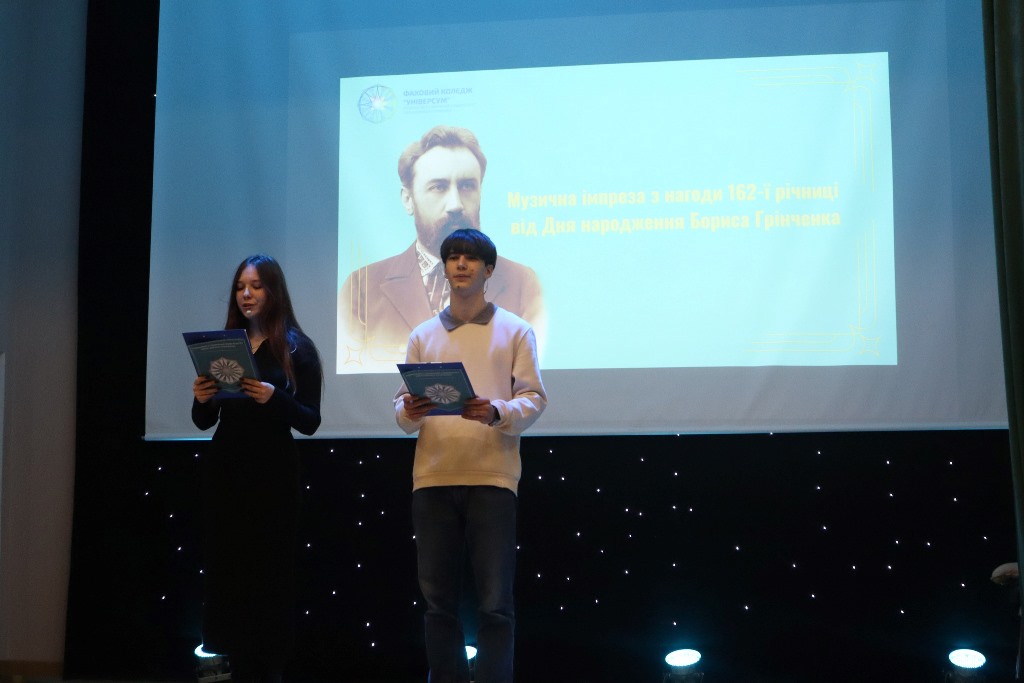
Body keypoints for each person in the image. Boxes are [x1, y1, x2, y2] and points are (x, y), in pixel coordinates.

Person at [394, 229, 547, 683]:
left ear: (489, 270)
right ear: (444, 268)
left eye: (471, 259)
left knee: (495, 603)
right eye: (453, 258)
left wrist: (497, 411)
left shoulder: (515, 330)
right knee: (437, 603)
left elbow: (534, 398)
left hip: (492, 478)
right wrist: (409, 410)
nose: (461, 265)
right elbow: (402, 411)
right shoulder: (422, 335)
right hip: (433, 478)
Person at [191, 254, 323, 683]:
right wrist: (202, 398)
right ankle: (231, 660)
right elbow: (203, 421)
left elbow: (310, 420)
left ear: (274, 291)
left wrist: (274, 397)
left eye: (256, 286)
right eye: (240, 287)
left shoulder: (297, 348)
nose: (246, 295)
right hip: (226, 470)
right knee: (227, 569)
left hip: (273, 475)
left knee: (270, 572)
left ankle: (269, 666)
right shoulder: (224, 346)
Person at [338, 124, 546, 373]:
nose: (455, 204)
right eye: (438, 187)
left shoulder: (522, 283)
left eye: (467, 186)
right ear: (408, 199)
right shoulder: (362, 289)